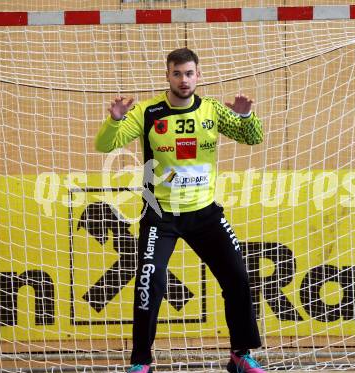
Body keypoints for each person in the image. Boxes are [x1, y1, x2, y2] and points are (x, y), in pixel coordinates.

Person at [95, 47, 266, 373]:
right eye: (177, 73)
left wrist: (245, 116)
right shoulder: (148, 112)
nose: (184, 80)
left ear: (198, 76)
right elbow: (104, 145)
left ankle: (240, 355)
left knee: (238, 277)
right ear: (168, 76)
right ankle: (141, 362)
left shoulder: (213, 111)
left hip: (205, 214)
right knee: (150, 283)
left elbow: (253, 137)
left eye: (189, 73)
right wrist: (114, 121)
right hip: (161, 215)